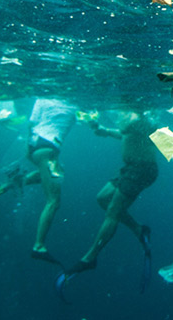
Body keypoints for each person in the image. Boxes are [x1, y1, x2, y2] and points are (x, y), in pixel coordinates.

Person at [0, 98, 79, 264]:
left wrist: (27, 150)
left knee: (58, 173)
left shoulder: (42, 99)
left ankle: (17, 181)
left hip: (33, 144)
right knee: (53, 201)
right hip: (49, 148)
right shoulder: (74, 103)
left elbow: (31, 124)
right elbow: (88, 118)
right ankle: (39, 246)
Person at [64, 111, 158, 276]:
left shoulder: (138, 116)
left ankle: (90, 258)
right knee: (102, 199)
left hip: (142, 169)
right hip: (131, 168)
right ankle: (138, 229)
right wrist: (105, 130)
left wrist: (100, 116)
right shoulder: (132, 117)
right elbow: (127, 135)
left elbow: (125, 127)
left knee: (113, 211)